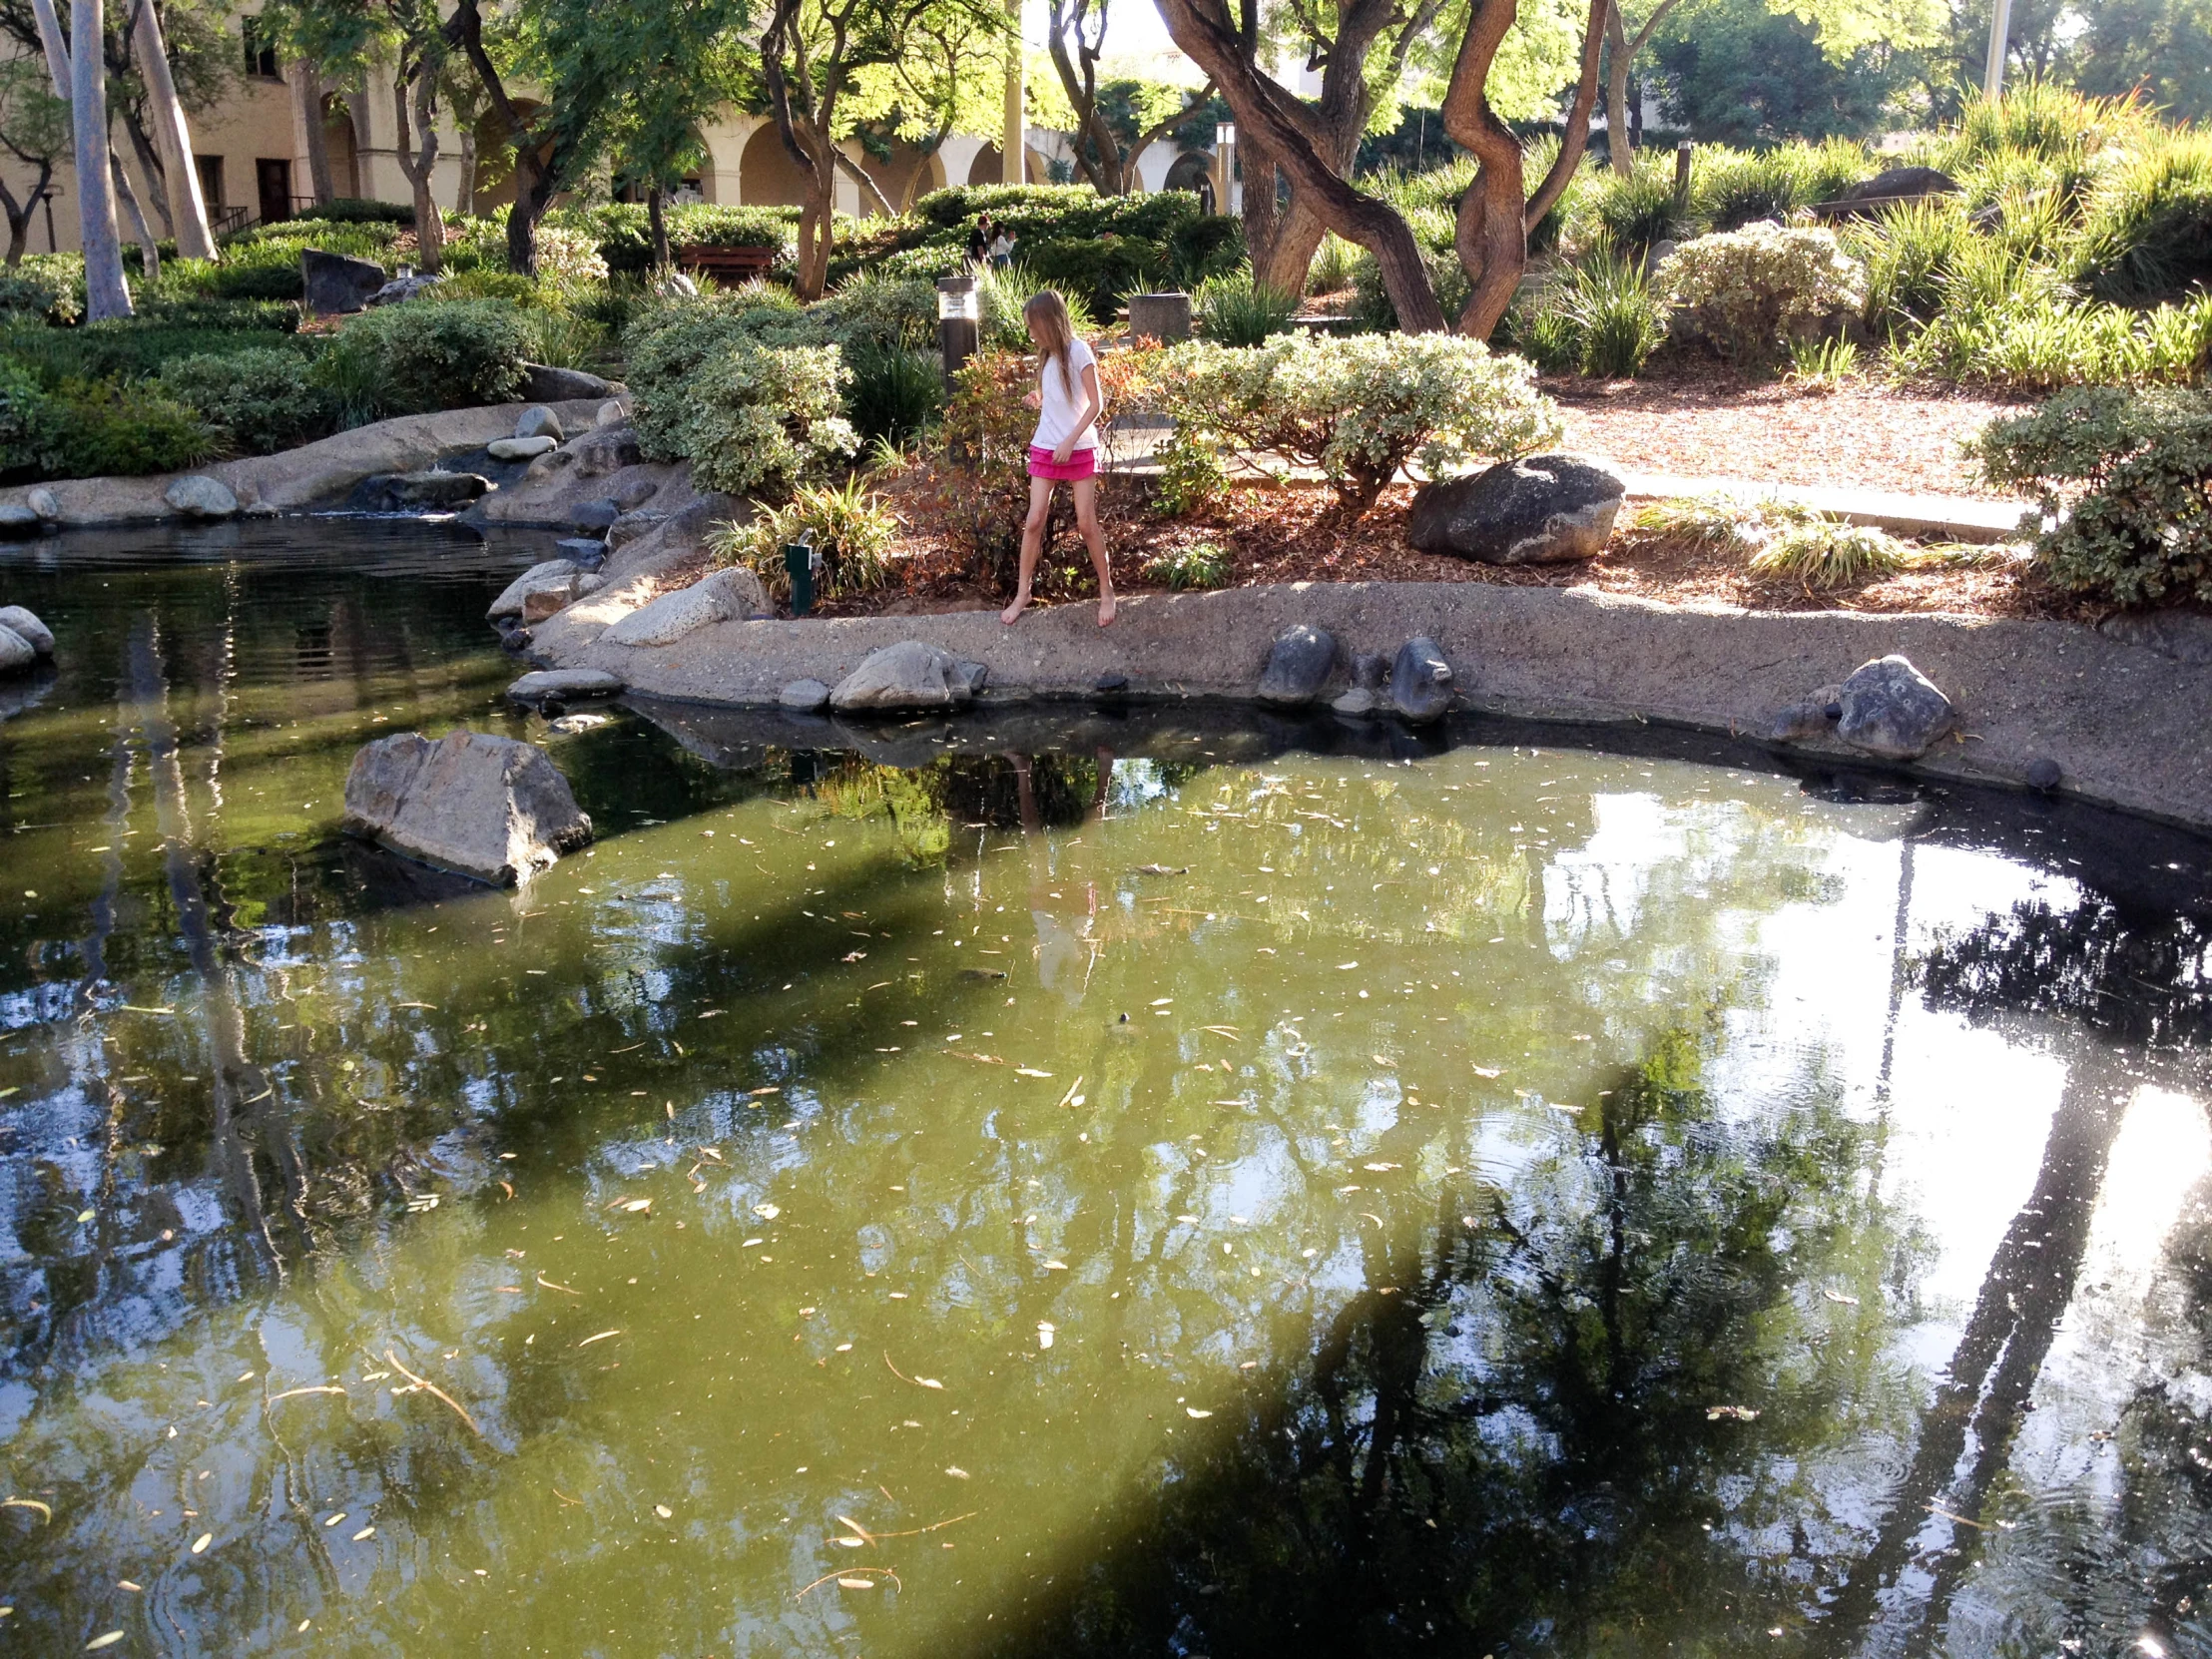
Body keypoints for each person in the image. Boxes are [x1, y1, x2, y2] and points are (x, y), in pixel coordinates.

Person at [1003, 289, 1115, 628]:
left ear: (1049, 322)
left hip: (1078, 448)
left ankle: (1107, 590)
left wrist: (1070, 440)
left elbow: (1096, 404)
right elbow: (1059, 396)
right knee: (1035, 519)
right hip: (1046, 446)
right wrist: (1038, 397)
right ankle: (1023, 592)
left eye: (1033, 326)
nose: (1030, 333)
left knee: (1085, 522)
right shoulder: (1047, 357)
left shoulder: (1079, 351)